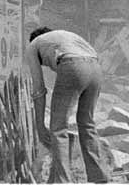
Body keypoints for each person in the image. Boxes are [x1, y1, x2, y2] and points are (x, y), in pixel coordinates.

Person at [26, 25, 107, 183]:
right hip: (96, 69)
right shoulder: (64, 36)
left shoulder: (33, 45)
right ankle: (100, 177)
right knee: (87, 124)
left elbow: (39, 90)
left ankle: (63, 181)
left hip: (73, 66)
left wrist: (40, 126)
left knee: (58, 128)